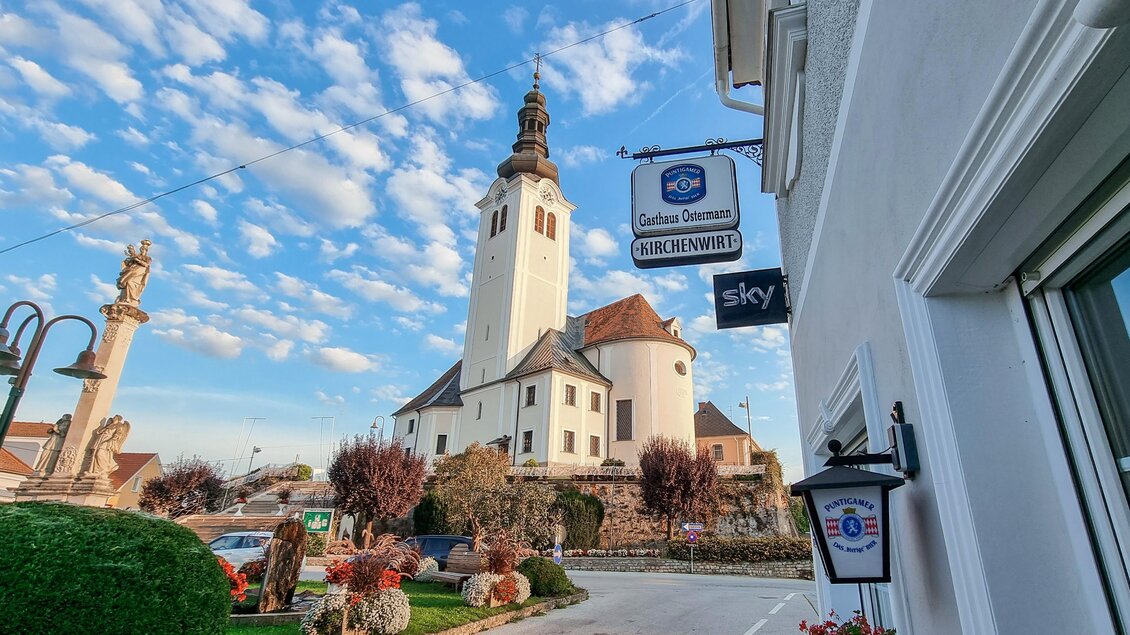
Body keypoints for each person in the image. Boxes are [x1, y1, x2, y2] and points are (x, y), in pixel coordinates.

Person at [115, 240, 152, 305]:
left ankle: (130, 299)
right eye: (142, 249)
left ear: (146, 251)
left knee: (130, 282)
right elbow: (129, 261)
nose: (142, 250)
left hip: (139, 273)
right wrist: (131, 254)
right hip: (132, 271)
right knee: (125, 281)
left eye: (144, 249)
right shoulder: (136, 256)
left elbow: (146, 265)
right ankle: (124, 298)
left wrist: (137, 260)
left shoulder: (147, 258)